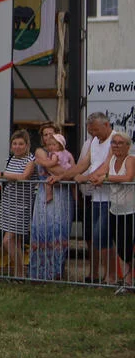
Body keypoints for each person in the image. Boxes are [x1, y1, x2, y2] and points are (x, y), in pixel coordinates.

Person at [49, 112, 117, 283]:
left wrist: (86, 178)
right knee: (97, 238)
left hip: (112, 198)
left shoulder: (115, 140)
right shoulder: (94, 141)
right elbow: (82, 165)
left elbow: (106, 165)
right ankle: (107, 275)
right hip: (96, 198)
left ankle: (111, 275)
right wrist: (62, 176)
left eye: (96, 130)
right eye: (91, 131)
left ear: (107, 125)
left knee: (102, 237)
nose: (93, 134)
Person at [81, 131, 135, 284]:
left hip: (130, 210)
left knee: (128, 246)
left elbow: (127, 177)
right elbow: (100, 173)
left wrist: (104, 178)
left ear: (127, 146)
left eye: (119, 143)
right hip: (115, 208)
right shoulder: (111, 160)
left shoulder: (130, 159)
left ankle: (129, 280)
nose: (116, 145)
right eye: (114, 142)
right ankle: (125, 280)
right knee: (120, 246)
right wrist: (92, 177)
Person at [0, 129, 36, 278]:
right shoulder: (10, 159)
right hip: (8, 203)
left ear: (27, 145)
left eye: (21, 144)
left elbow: (24, 176)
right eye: (14, 143)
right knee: (15, 241)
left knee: (7, 241)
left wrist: (2, 174)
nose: (17, 146)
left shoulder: (31, 160)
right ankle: (19, 273)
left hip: (22, 204)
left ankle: (21, 271)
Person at [29, 125, 74, 281]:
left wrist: (68, 174)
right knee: (42, 230)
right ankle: (40, 272)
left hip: (62, 194)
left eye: (51, 134)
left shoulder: (64, 153)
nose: (48, 137)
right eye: (45, 134)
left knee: (59, 231)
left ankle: (57, 271)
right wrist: (67, 173)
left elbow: (71, 171)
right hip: (44, 194)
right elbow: (60, 172)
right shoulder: (40, 152)